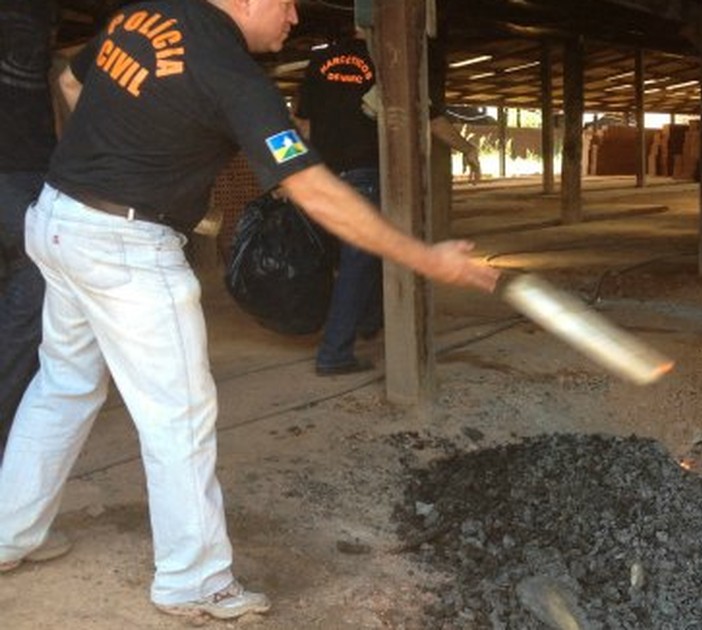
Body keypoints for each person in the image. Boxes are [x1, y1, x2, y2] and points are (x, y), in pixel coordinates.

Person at [0, 0, 498, 622]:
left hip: (58, 218)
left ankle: (9, 535)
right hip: (125, 248)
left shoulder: (144, 16)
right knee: (177, 415)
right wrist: (420, 256)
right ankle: (194, 581)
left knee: (63, 384)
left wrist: (121, 160)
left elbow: (72, 80)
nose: (293, 18)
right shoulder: (228, 70)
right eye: (287, 3)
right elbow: (312, 188)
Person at [295, 29, 482, 375]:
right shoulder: (389, 62)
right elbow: (430, 117)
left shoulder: (319, 60)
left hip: (327, 175)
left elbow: (303, 124)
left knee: (353, 257)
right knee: (360, 262)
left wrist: (300, 172)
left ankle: (368, 322)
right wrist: (467, 148)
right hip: (366, 175)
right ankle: (334, 353)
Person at [0, 0, 56, 457]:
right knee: (36, 282)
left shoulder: (42, 14)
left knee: (37, 285)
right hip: (20, 170)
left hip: (32, 167)